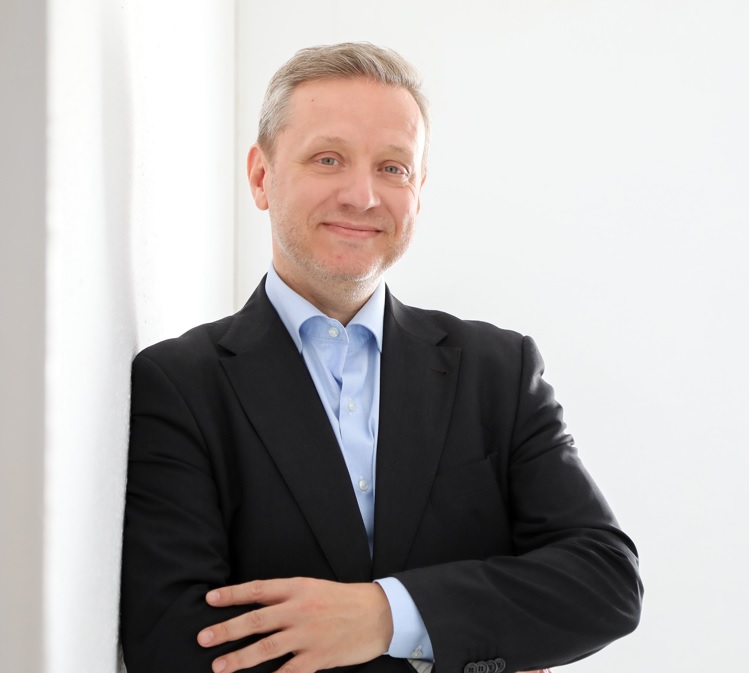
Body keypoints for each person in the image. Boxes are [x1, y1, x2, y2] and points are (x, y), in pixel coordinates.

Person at [120, 43, 642, 673]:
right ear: (261, 177)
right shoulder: (180, 384)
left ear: (418, 190)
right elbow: (175, 643)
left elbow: (605, 581)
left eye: (393, 168)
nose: (363, 196)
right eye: (328, 159)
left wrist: (386, 616)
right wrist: (466, 640)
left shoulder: (499, 370)